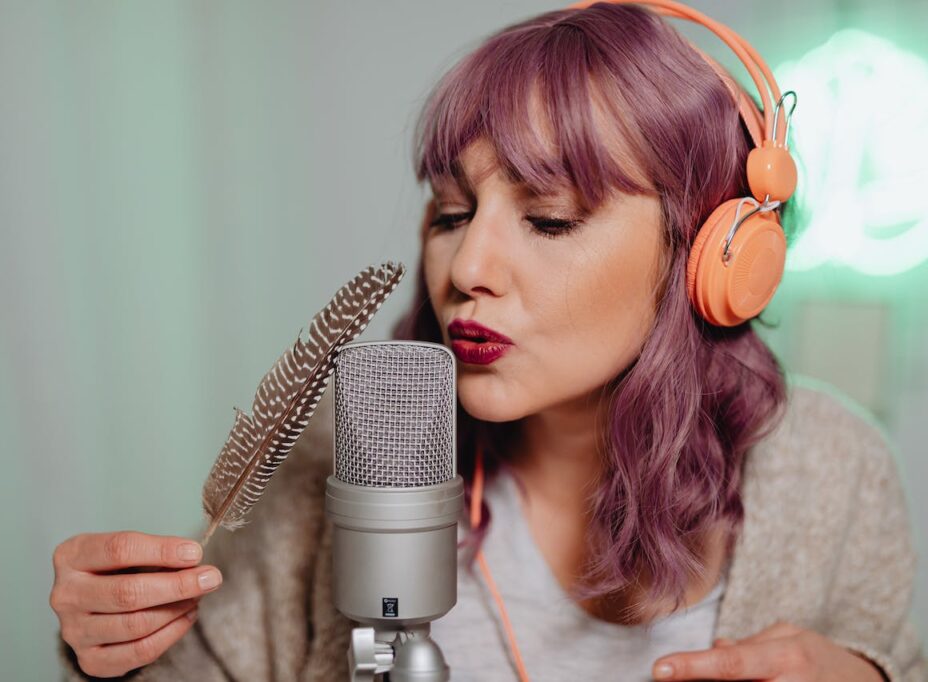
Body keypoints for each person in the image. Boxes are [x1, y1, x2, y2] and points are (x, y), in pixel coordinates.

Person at [49, 2, 925, 680]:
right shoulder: (338, 463)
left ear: (708, 260)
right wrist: (111, 654)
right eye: (452, 213)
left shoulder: (832, 470)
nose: (467, 265)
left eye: (548, 219)